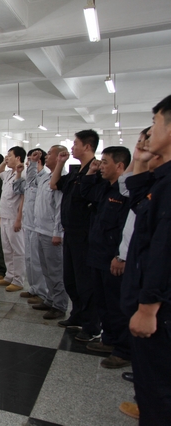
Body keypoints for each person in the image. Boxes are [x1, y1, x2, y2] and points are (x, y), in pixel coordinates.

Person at [120, 95, 171, 424]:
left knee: (157, 395)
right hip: (151, 303)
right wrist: (139, 161)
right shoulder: (162, 180)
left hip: (159, 313)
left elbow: (164, 249)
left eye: (155, 123)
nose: (149, 133)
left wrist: (148, 307)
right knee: (151, 387)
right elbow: (140, 205)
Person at [80, 146, 132, 369]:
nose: (101, 166)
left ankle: (123, 350)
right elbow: (86, 194)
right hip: (98, 254)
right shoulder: (106, 188)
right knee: (102, 303)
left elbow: (126, 228)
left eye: (105, 162)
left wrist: (121, 256)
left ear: (119, 166)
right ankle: (109, 340)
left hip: (113, 258)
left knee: (116, 305)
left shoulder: (127, 193)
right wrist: (90, 173)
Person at [50, 129, 101, 340]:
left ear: (87, 146)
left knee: (85, 281)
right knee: (70, 279)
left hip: (85, 235)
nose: (72, 148)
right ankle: (77, 315)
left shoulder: (96, 171)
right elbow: (54, 184)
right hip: (70, 232)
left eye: (75, 144)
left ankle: (91, 326)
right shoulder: (76, 172)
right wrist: (60, 163)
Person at [32, 146, 69, 320]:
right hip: (40, 229)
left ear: (59, 157)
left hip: (51, 233)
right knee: (46, 269)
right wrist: (33, 163)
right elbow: (31, 181)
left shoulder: (61, 179)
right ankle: (50, 299)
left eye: (49, 154)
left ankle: (60, 305)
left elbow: (60, 208)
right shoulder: (45, 177)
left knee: (56, 271)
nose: (46, 156)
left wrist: (57, 232)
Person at [14, 148, 49, 303]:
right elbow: (18, 189)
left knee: (37, 261)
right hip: (28, 224)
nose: (27, 163)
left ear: (38, 160)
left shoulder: (44, 178)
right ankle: (34, 288)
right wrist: (18, 173)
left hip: (38, 226)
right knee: (29, 259)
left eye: (30, 160)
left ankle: (42, 292)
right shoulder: (30, 178)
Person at [0, 146, 26, 292]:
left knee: (17, 250)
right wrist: (4, 161)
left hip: (14, 217)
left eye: (10, 156)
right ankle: (9, 275)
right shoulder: (8, 174)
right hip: (5, 216)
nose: (7, 158)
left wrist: (19, 218)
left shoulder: (23, 173)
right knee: (7, 249)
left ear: (18, 158)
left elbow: (23, 197)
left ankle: (18, 280)